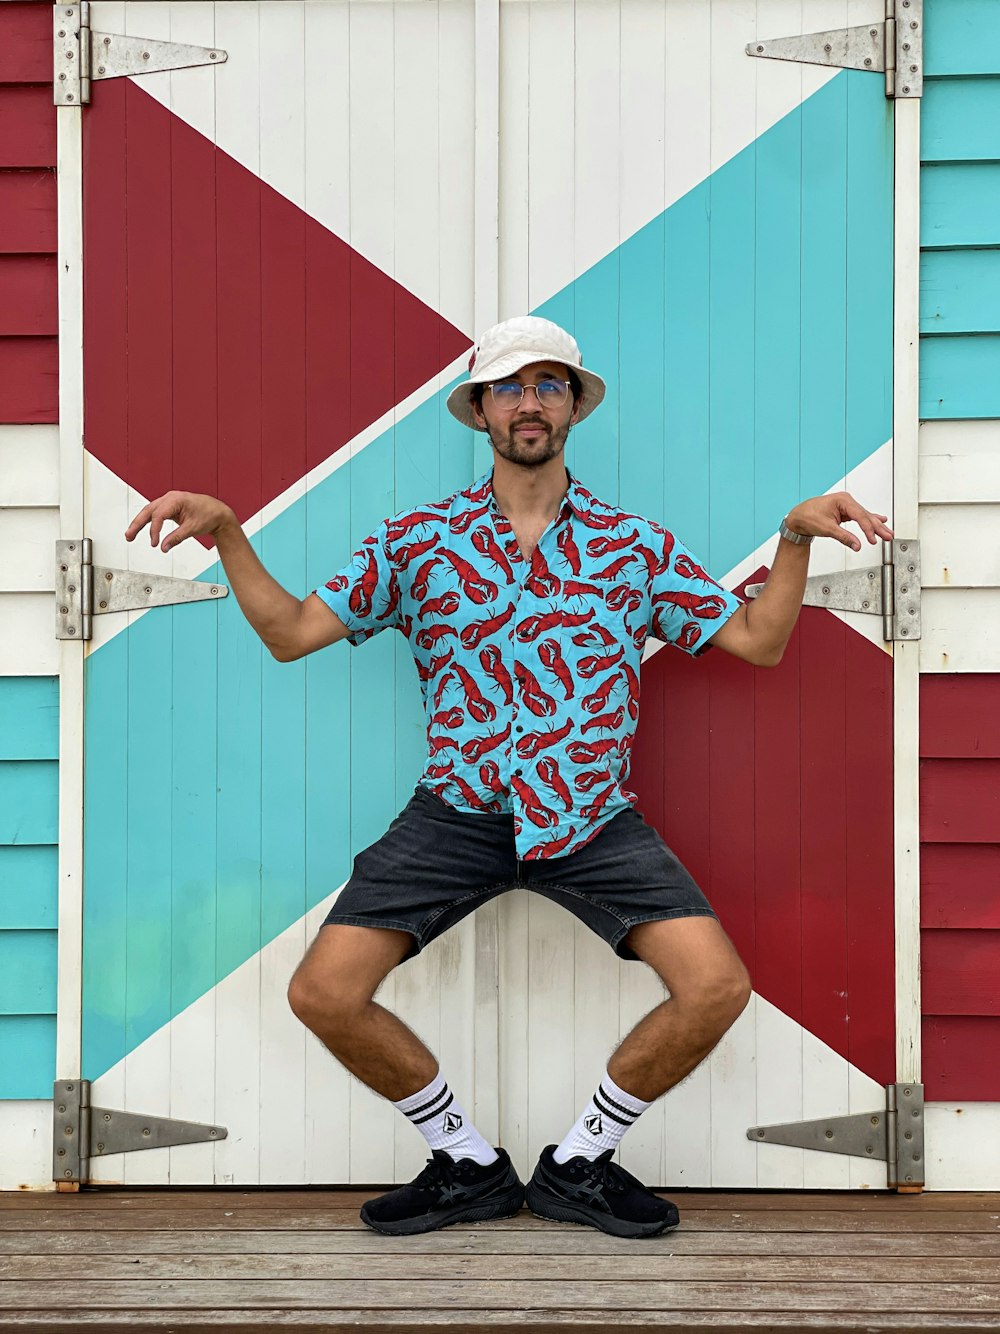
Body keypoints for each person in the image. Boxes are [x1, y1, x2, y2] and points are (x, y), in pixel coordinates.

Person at [126, 315, 892, 1239]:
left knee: (716, 987)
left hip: (591, 817)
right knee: (322, 992)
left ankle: (579, 1164)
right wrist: (230, 534)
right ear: (480, 410)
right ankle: (466, 1162)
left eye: (549, 384)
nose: (530, 402)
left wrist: (793, 539)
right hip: (460, 809)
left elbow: (759, 642)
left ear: (573, 405)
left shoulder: (634, 546)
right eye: (510, 387)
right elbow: (292, 634)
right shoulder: (418, 541)